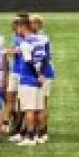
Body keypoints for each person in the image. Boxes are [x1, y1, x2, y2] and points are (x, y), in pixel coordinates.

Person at [15, 17, 48, 147]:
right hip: (40, 81)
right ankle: (40, 135)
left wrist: (37, 75)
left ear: (23, 27)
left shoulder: (25, 43)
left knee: (29, 109)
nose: (18, 30)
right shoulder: (40, 40)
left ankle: (30, 137)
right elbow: (45, 58)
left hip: (28, 80)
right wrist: (43, 74)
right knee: (39, 108)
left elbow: (29, 62)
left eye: (18, 27)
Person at [32, 15, 55, 144]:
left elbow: (45, 58)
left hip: (43, 74)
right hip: (46, 73)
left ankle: (41, 132)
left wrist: (41, 74)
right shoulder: (44, 37)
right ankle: (43, 131)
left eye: (32, 24)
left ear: (38, 25)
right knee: (42, 103)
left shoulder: (41, 38)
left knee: (41, 104)